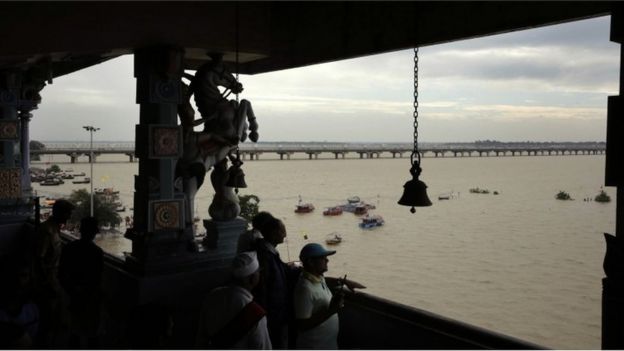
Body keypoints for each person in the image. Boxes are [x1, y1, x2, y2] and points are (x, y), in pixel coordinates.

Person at [293, 243, 366, 349]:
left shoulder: (317, 277)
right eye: (323, 258)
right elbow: (302, 325)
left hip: (327, 343)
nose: (327, 260)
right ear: (311, 262)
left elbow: (324, 281)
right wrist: (332, 310)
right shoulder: (304, 289)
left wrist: (343, 281)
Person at [196, 251, 271, 349]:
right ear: (252, 278)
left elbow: (201, 338)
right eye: (258, 272)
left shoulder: (212, 296)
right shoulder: (255, 314)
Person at [252, 214, 301, 349]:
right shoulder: (265, 256)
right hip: (273, 315)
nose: (285, 234)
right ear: (273, 233)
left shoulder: (268, 252)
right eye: (282, 230)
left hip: (275, 313)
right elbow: (262, 288)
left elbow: (283, 269)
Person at [32, 198, 74, 347]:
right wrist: (46, 284)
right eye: (67, 213)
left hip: (54, 281)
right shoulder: (47, 231)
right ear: (59, 213)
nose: (69, 217)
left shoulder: (55, 229)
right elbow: (38, 259)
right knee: (48, 323)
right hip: (47, 284)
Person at [58, 216, 104, 349]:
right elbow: (97, 279)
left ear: (80, 230)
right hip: (90, 299)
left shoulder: (69, 248)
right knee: (92, 336)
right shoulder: (97, 252)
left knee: (74, 334)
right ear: (95, 232)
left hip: (73, 296)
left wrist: (72, 291)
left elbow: (61, 274)